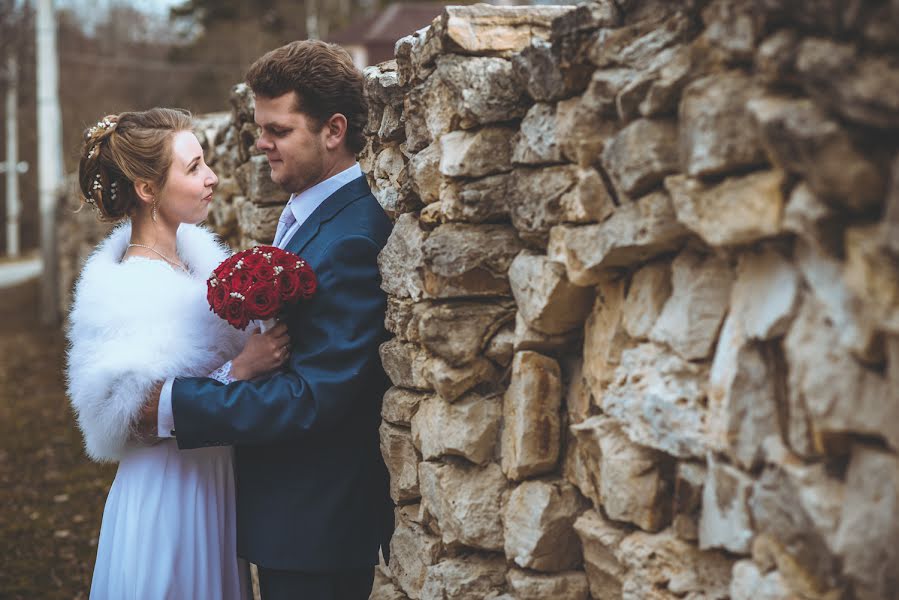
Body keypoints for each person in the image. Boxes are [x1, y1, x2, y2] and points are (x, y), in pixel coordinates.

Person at [137, 41, 394, 600]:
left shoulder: (351, 235)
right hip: (288, 520)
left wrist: (176, 404)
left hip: (315, 528)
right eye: (260, 127)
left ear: (333, 130)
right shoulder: (311, 211)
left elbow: (313, 398)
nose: (261, 144)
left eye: (278, 130)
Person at [66, 107, 291, 599]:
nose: (211, 178)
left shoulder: (194, 264)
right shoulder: (127, 286)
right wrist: (242, 367)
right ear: (147, 190)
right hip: (168, 493)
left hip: (214, 480)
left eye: (205, 162)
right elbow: (136, 413)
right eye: (192, 169)